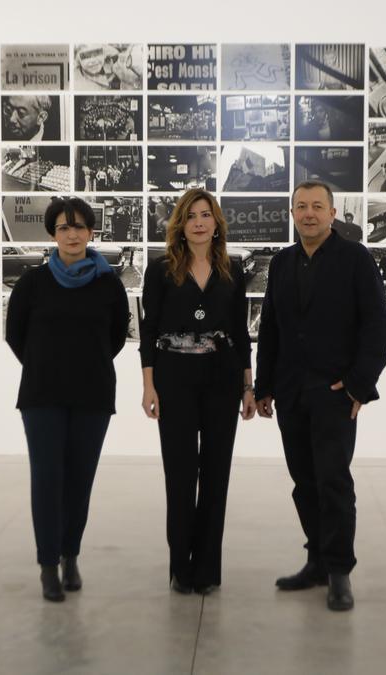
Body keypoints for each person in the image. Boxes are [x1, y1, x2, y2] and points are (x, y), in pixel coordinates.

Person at [254, 181, 386, 612]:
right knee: (305, 483)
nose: (308, 214)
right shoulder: (282, 263)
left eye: (317, 207)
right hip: (291, 392)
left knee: (333, 482)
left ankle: (339, 572)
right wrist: (264, 387)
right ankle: (316, 559)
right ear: (292, 214)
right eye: (301, 207)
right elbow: (271, 329)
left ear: (333, 214)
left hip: (334, 393)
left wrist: (358, 385)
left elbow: (377, 327)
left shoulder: (355, 259)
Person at [5, 197, 129, 603]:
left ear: (92, 232)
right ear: (52, 233)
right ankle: (47, 566)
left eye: (79, 227)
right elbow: (16, 336)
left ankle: (70, 556)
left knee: (79, 482)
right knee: (47, 479)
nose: (72, 234)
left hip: (92, 394)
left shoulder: (108, 283)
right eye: (63, 227)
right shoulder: (33, 283)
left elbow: (115, 337)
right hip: (42, 394)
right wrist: (46, 364)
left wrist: (83, 364)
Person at [140, 188, 256, 595]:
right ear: (180, 225)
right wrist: (148, 385)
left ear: (217, 223)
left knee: (216, 474)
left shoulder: (232, 269)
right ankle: (181, 568)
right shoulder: (160, 270)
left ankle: (207, 568)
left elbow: (241, 333)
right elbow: (149, 331)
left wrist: (248, 386)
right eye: (192, 216)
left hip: (223, 379)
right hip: (174, 378)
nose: (200, 222)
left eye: (207, 215)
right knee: (180, 472)